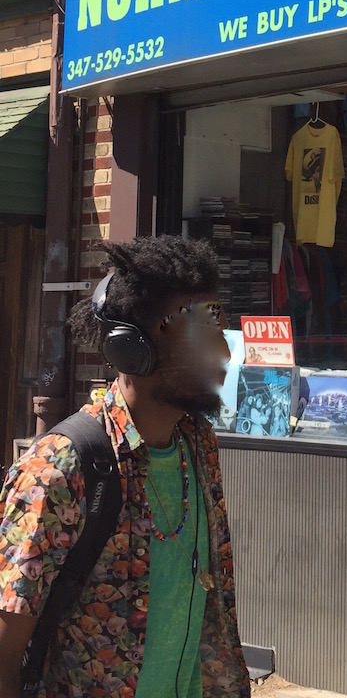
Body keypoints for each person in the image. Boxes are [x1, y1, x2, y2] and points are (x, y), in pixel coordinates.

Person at [0, 235, 250, 698]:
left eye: (220, 326)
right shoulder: (61, 470)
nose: (223, 351)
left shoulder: (198, 445)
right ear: (133, 349)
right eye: (200, 330)